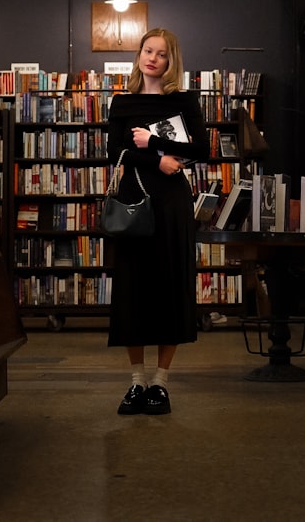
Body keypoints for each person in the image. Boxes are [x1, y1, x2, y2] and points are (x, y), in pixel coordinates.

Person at [105, 28, 210, 415]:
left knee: (169, 285)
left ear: (171, 61)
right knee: (132, 288)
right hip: (134, 200)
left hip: (171, 203)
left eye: (162, 54)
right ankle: (136, 383)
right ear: (139, 55)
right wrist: (156, 159)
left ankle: (161, 384)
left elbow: (202, 149)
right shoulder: (122, 102)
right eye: (148, 51)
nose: (153, 58)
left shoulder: (183, 100)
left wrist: (154, 142)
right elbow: (113, 151)